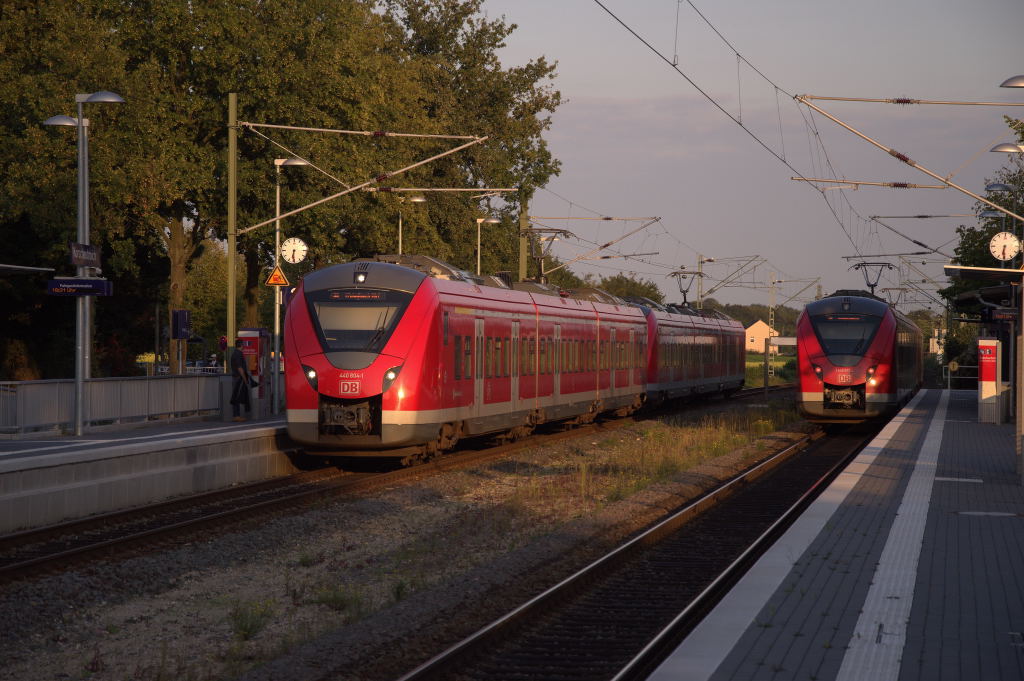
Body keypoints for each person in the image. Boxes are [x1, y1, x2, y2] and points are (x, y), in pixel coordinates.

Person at [229, 339, 253, 421]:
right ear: (241, 345)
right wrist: (244, 378)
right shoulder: (238, 354)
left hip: (236, 377)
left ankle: (238, 415)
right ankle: (236, 416)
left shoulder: (235, 353)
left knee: (238, 395)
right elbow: (240, 368)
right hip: (239, 378)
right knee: (237, 396)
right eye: (243, 345)